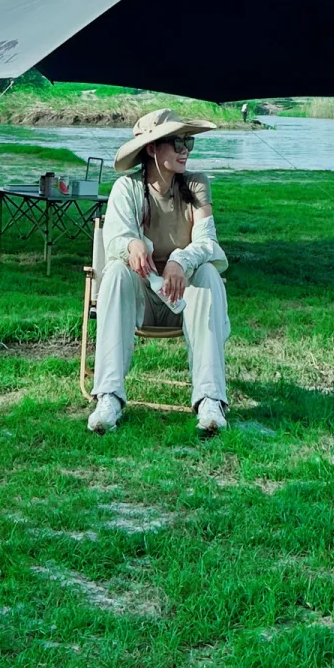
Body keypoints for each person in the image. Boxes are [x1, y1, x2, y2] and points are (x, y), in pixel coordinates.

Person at [87, 108, 231, 436]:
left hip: (184, 302)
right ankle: (109, 397)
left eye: (188, 142)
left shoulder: (196, 185)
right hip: (141, 301)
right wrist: (132, 244)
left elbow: (207, 242)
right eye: (177, 143)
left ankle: (210, 400)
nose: (185, 150)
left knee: (209, 274)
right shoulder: (126, 188)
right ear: (152, 148)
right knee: (116, 272)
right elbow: (116, 238)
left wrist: (181, 261)